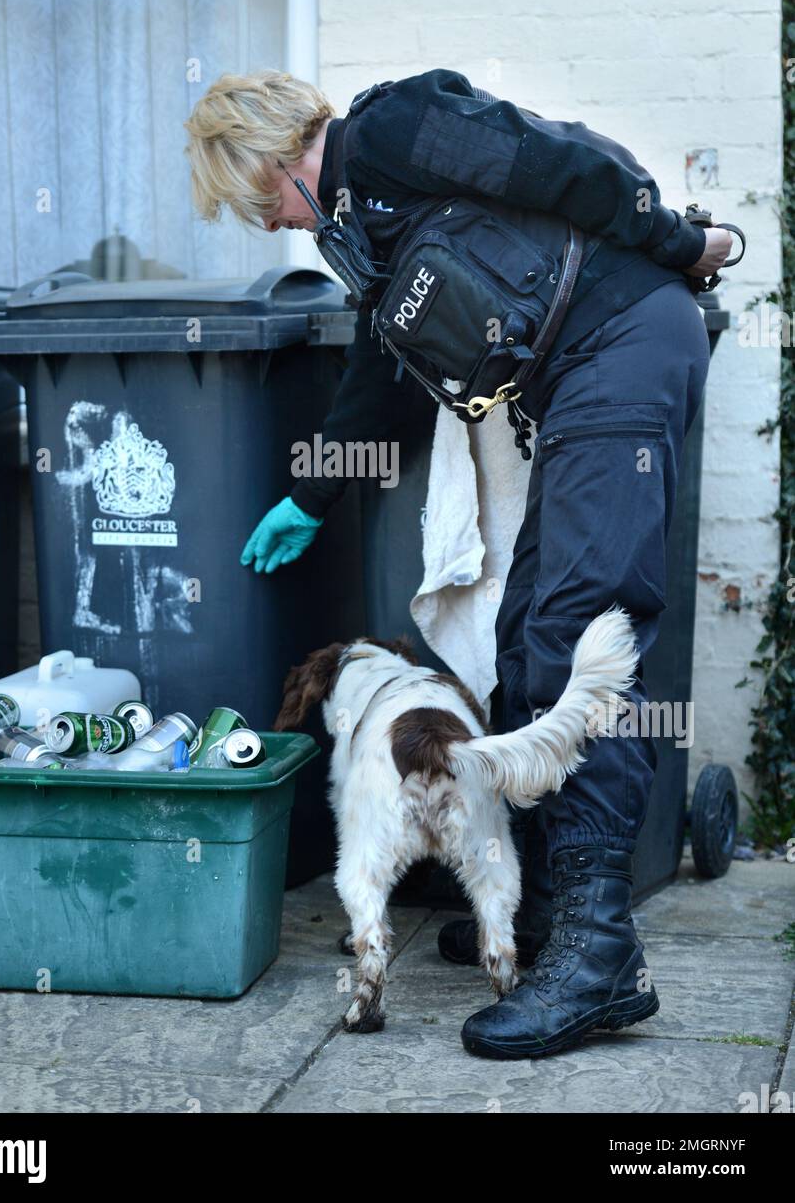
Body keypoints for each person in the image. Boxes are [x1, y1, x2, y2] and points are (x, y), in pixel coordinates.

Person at [185, 68, 731, 1059]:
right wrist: (311, 497)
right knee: (526, 646)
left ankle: (601, 951)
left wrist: (681, 242)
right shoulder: (365, 231)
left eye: (254, 199)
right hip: (576, 386)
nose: (263, 223)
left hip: (626, 340)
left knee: (579, 646)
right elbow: (374, 376)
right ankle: (551, 916)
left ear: (271, 156)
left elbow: (558, 166)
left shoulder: (397, 127)